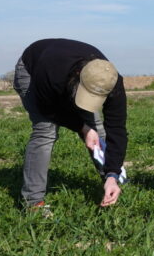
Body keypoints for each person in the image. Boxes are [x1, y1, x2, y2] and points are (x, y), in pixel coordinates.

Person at [13, 38, 128, 213]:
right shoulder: (51, 74)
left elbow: (117, 130)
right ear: (78, 77)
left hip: (65, 74)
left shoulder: (111, 83)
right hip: (33, 70)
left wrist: (113, 173)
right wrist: (82, 128)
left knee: (96, 127)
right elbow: (49, 110)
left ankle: (110, 181)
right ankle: (32, 202)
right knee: (46, 130)